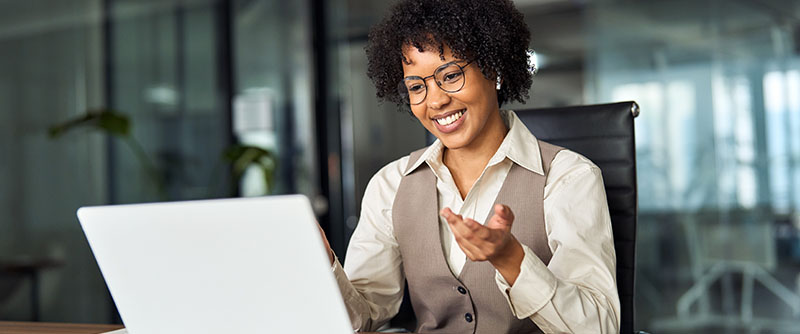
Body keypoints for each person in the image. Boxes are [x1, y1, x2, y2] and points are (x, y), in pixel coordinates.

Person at [318, 0, 620, 332]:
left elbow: (599, 327)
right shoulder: (391, 184)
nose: (435, 101)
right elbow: (365, 320)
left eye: (450, 75)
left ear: (494, 69)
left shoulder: (568, 178)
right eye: (417, 87)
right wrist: (324, 263)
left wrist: (511, 260)